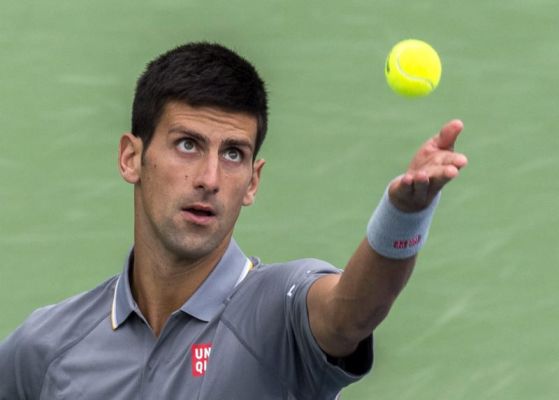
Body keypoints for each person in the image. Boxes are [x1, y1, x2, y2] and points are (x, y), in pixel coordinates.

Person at [0, 42, 468, 399]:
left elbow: (352, 312)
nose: (209, 178)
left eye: (233, 154)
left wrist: (404, 216)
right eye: (187, 144)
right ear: (131, 157)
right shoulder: (46, 347)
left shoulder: (279, 313)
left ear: (252, 182)